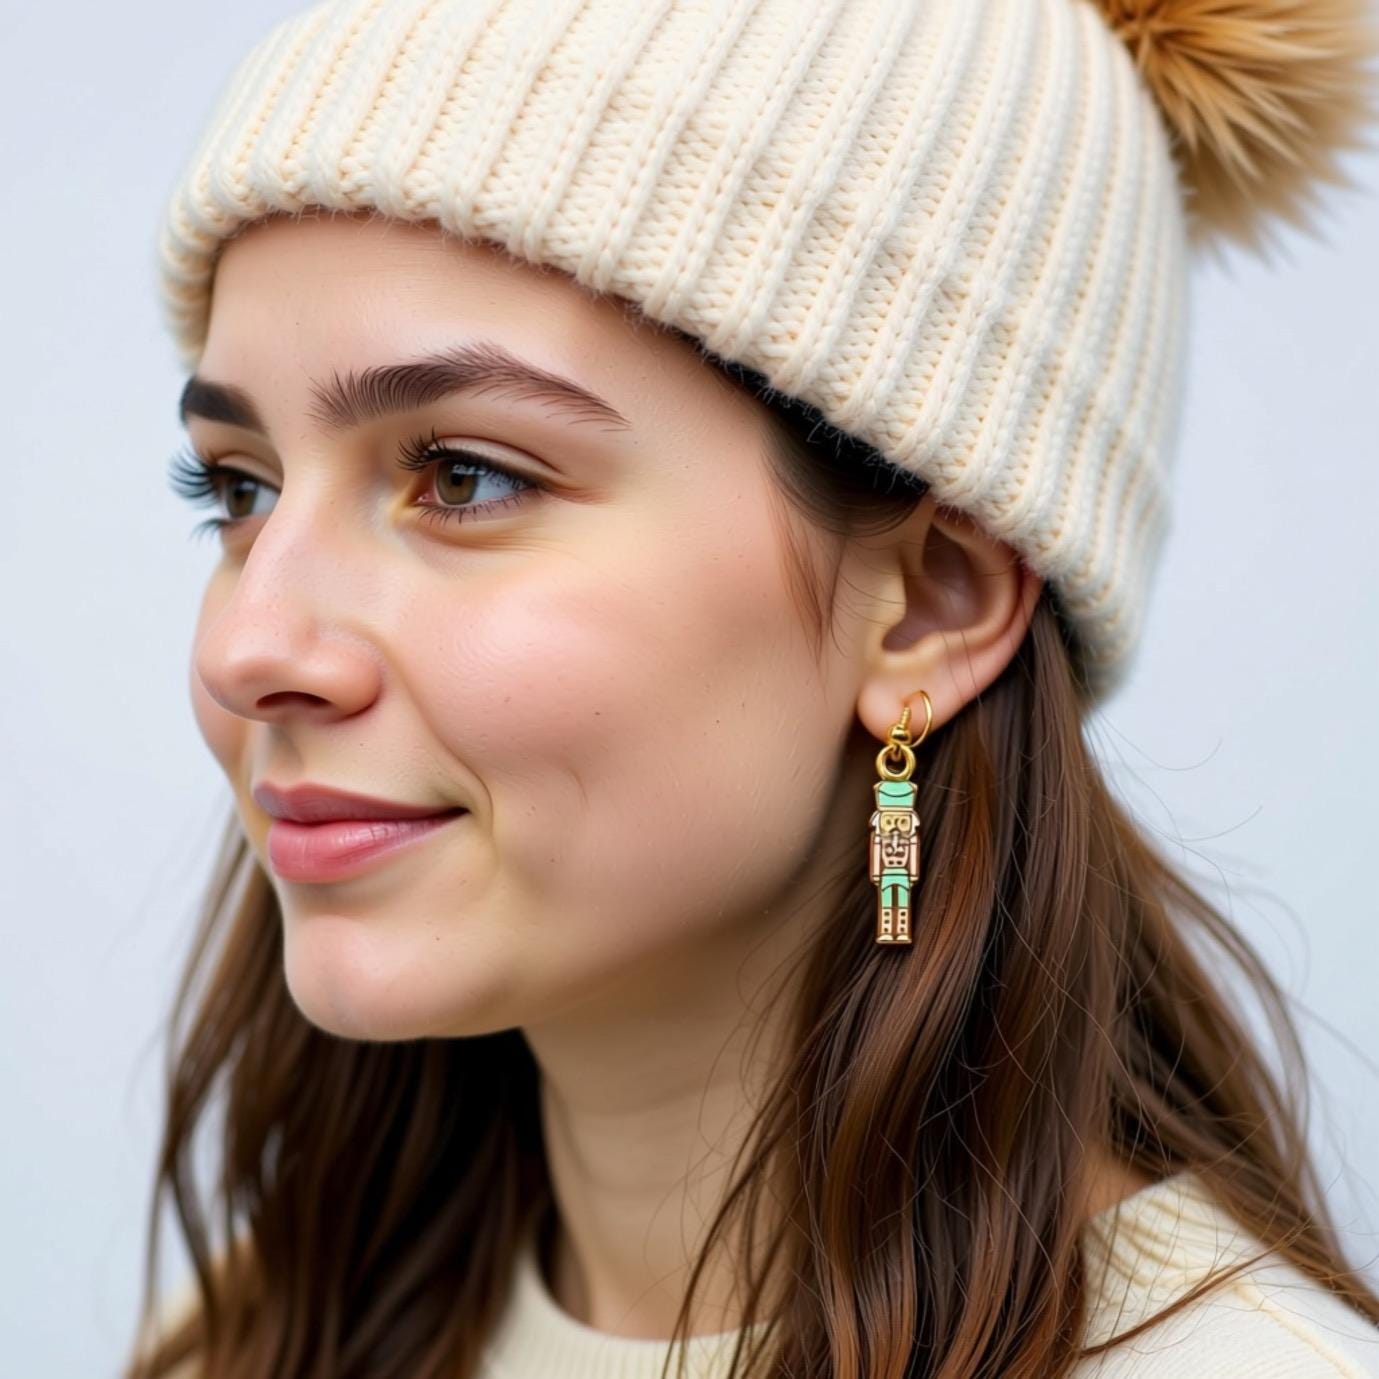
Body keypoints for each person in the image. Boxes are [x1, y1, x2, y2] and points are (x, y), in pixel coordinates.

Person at [125, 1, 1379, 1376]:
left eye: (467, 479)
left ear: (931, 607)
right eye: (239, 491)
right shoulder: (249, 1339)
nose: (251, 649)